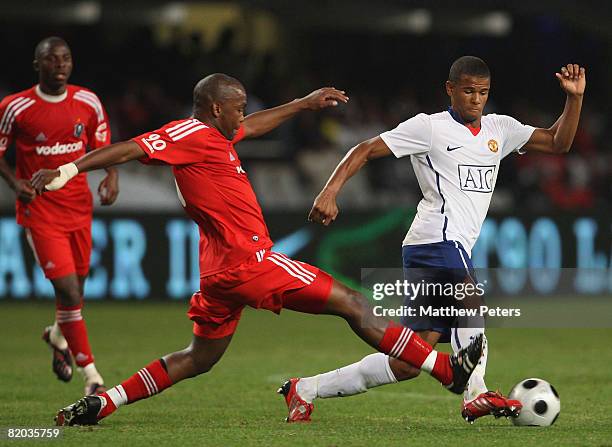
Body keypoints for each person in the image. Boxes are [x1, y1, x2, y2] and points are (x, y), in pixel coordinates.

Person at [31, 73, 483, 426]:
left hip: (217, 273)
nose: (243, 116)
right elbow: (130, 148)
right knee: (354, 303)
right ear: (214, 107)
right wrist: (71, 168)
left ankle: (105, 401)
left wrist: (303, 104)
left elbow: (253, 126)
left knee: (198, 358)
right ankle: (446, 370)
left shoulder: (215, 134)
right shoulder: (188, 132)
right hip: (250, 261)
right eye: (237, 108)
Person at [295, 56, 586, 423]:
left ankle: (305, 388)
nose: (476, 99)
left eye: (482, 92)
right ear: (450, 90)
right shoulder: (428, 128)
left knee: (407, 362)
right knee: (470, 296)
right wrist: (329, 191)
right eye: (468, 91)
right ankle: (475, 392)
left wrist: (574, 98)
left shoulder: (501, 129)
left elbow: (559, 143)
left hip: (436, 247)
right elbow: (365, 148)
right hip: (436, 239)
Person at [0, 37, 118, 395]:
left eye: (66, 58)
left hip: (79, 209)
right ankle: (92, 377)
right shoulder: (15, 107)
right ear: (38, 65)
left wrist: (112, 177)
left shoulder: (88, 102)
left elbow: (103, 148)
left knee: (76, 292)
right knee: (68, 292)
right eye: (52, 60)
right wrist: (14, 181)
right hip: (41, 212)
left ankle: (56, 335)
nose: (61, 65)